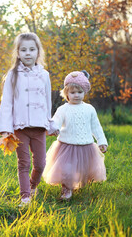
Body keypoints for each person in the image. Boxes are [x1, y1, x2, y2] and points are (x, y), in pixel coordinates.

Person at [0, 33, 55, 206]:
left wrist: (49, 124)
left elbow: (47, 102)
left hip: (39, 127)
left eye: (31, 49)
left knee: (40, 163)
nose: (28, 53)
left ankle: (33, 186)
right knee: (23, 163)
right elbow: (6, 102)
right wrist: (6, 128)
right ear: (18, 53)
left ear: (38, 52)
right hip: (19, 127)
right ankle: (25, 197)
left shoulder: (44, 75)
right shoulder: (12, 75)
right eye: (23, 50)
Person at [43, 70, 108, 200]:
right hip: (67, 146)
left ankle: (82, 184)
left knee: (85, 168)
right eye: (72, 93)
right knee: (67, 169)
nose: (76, 95)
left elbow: (96, 126)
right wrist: (53, 129)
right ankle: (66, 189)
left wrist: (102, 141)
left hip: (86, 146)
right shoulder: (63, 109)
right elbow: (56, 121)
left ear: (85, 92)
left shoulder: (89, 109)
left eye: (80, 92)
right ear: (66, 93)